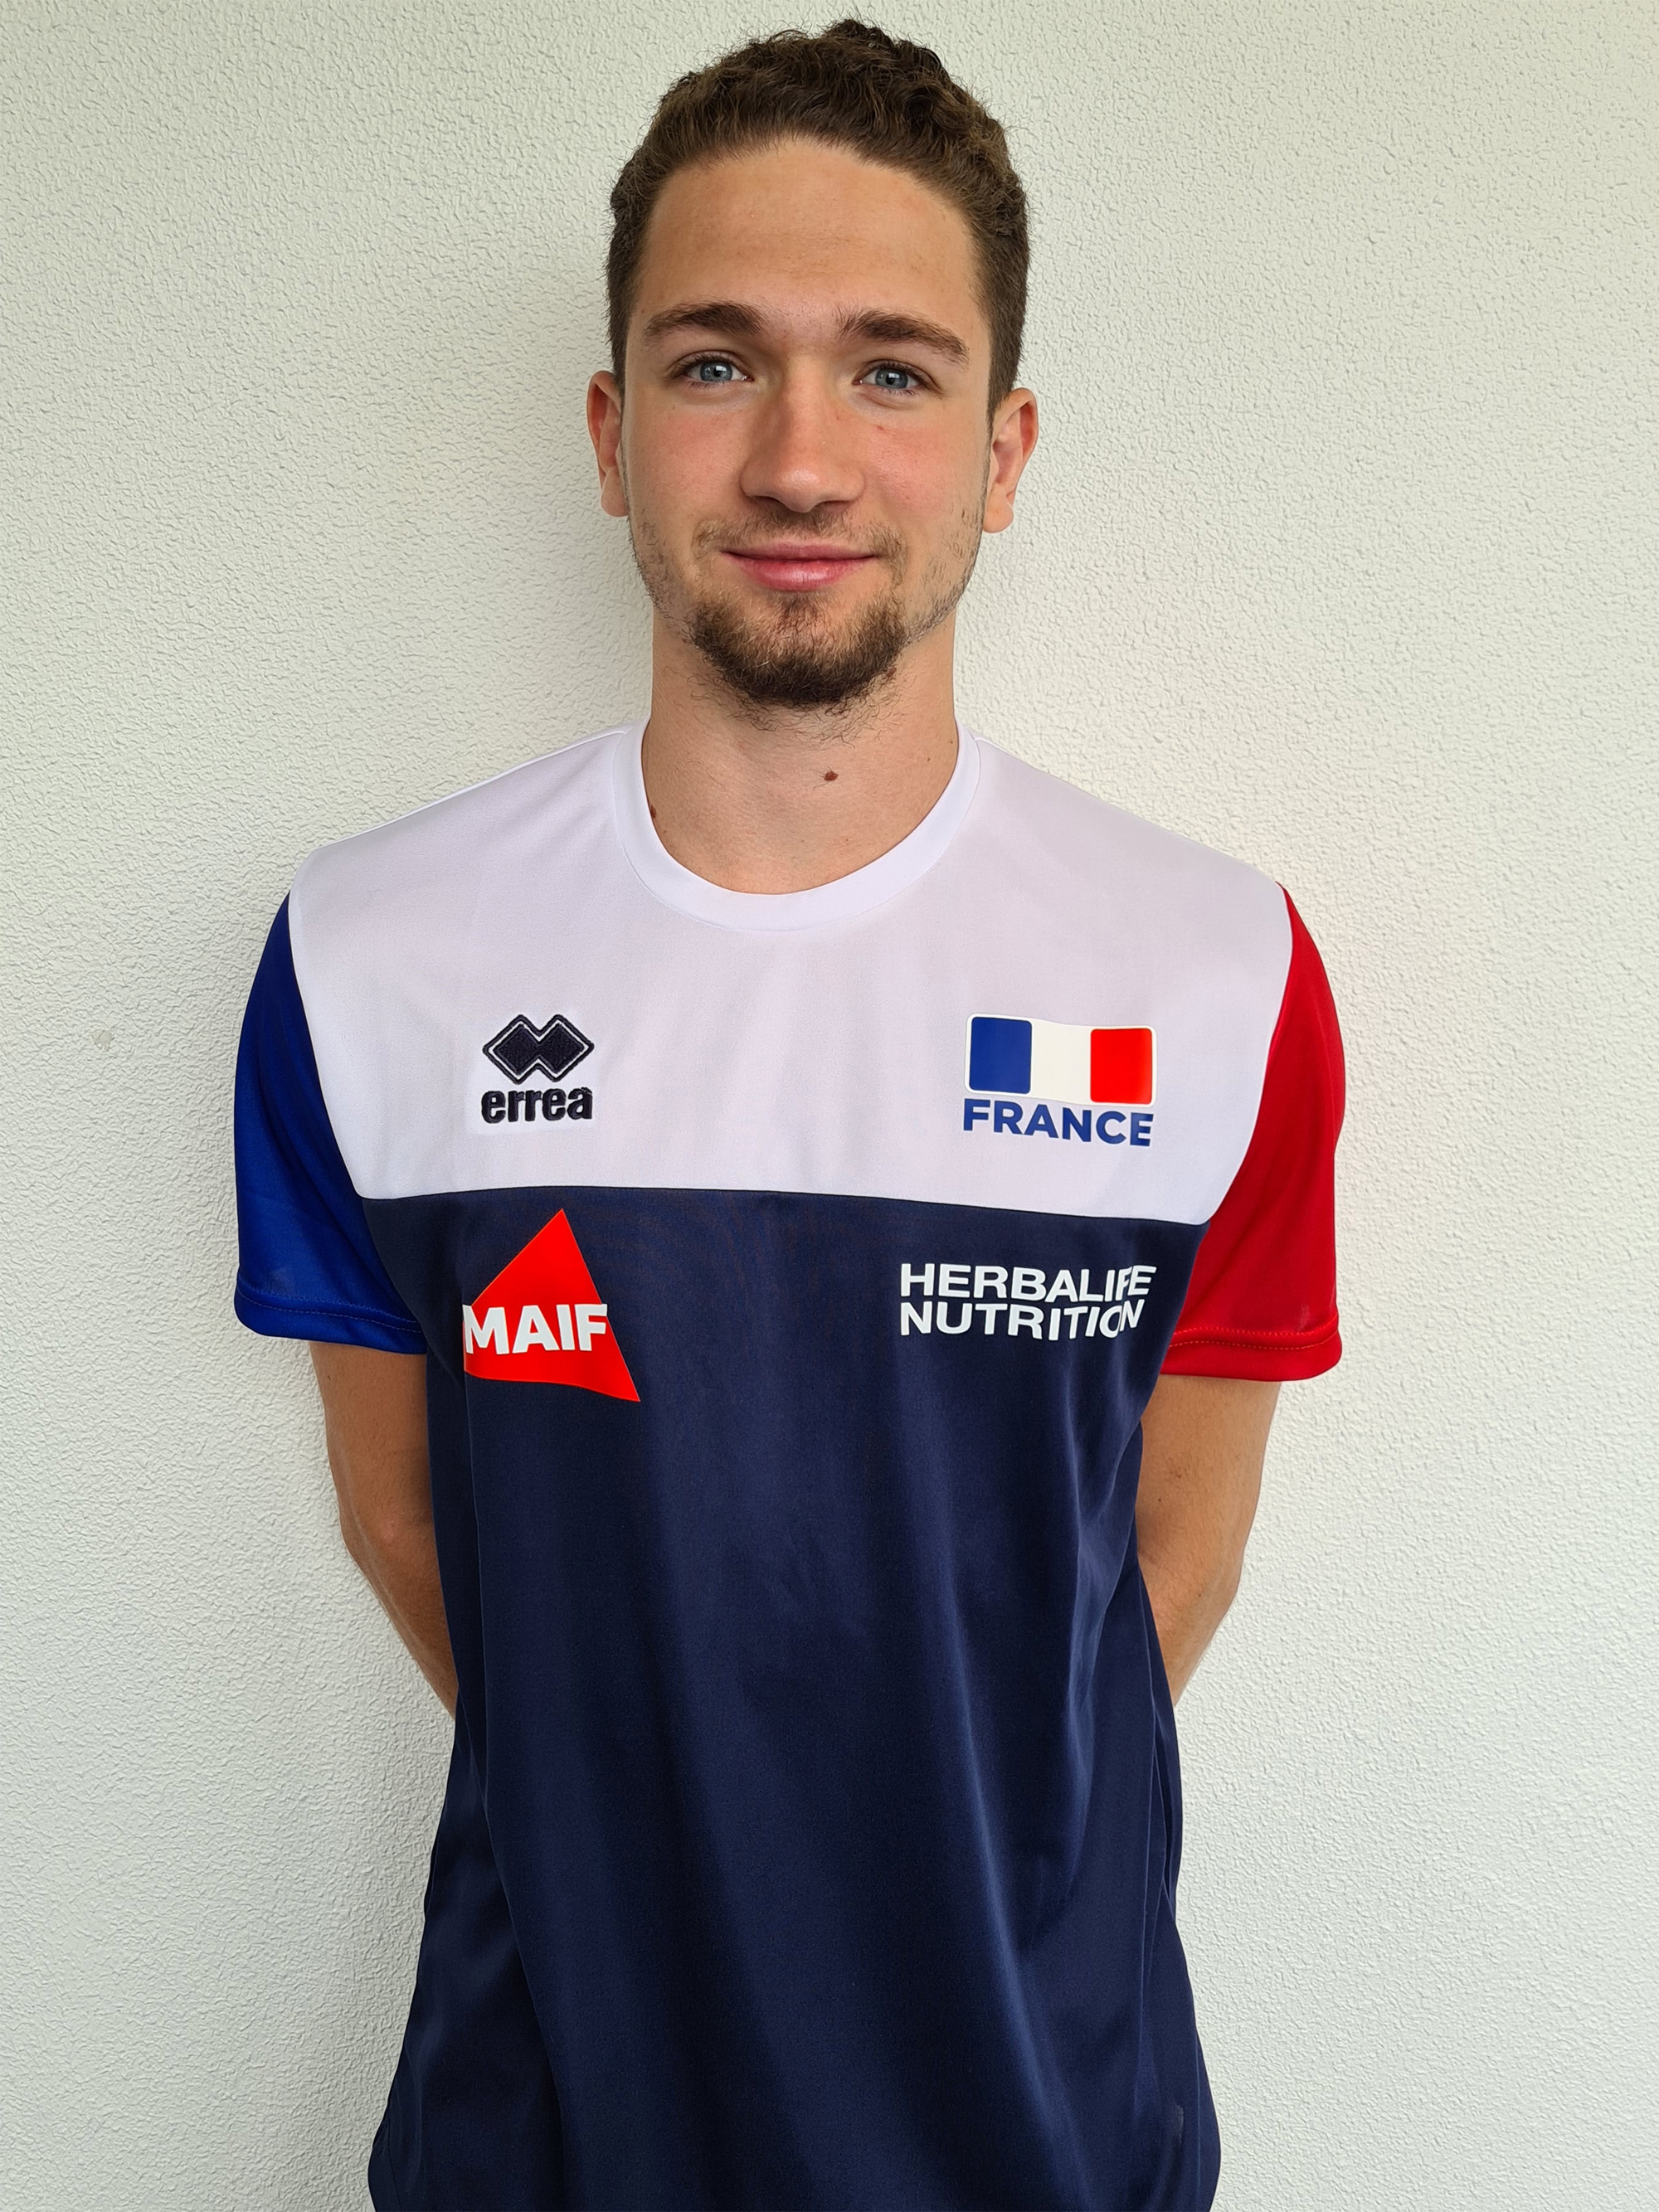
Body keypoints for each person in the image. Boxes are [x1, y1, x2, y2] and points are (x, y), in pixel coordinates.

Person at [233, 21, 1342, 2209]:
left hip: (1046, 2137)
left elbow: (1167, 1566)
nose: (803, 459)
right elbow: (409, 1523)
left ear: (1005, 451)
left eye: (894, 371)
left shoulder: (1215, 974)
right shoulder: (371, 957)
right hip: (549, 2136)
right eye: (719, 362)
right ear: (612, 431)